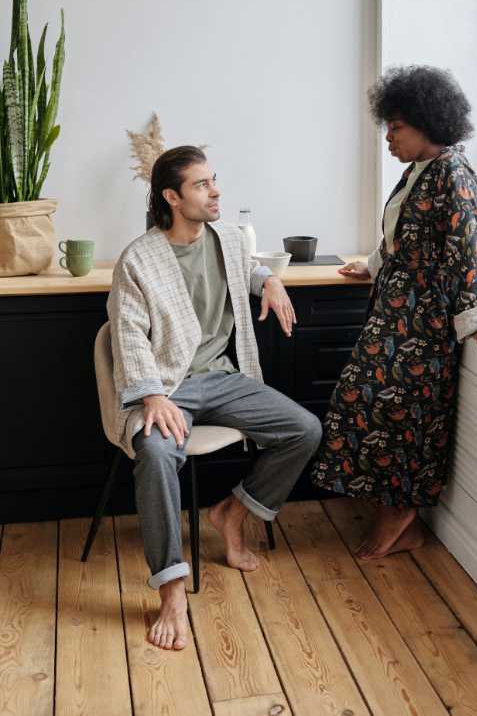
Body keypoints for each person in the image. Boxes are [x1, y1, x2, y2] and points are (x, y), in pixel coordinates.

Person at [106, 146, 322, 651]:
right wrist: (152, 395)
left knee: (304, 430)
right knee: (156, 453)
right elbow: (128, 335)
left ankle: (233, 513)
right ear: (172, 197)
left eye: (213, 180)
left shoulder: (227, 237)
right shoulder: (139, 258)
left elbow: (246, 269)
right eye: (202, 185)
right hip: (168, 386)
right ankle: (172, 587)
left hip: (224, 378)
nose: (216, 190)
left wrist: (268, 280)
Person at [311, 65, 477, 559]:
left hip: (424, 320)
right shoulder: (419, 171)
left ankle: (402, 514)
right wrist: (374, 263)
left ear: (428, 122)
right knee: (363, 402)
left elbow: (471, 246)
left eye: (395, 127)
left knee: (403, 414)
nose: (388, 137)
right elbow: (404, 233)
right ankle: (401, 519)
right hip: (396, 310)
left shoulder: (454, 173)